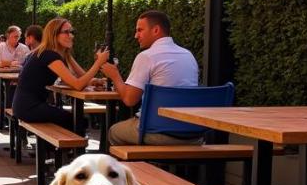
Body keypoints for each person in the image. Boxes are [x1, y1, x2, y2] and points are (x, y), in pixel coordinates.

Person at [102, 10, 200, 146]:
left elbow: (130, 100)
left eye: (140, 30)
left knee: (114, 131)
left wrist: (115, 75)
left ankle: (134, 167)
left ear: (156, 30)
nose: (136, 35)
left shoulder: (147, 56)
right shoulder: (188, 55)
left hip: (158, 131)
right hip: (192, 133)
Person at [12, 17, 109, 133]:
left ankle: (60, 150)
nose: (71, 36)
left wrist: (96, 81)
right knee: (78, 121)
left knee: (75, 120)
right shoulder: (49, 55)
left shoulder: (55, 53)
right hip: (28, 108)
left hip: (24, 106)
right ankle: (70, 150)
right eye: (66, 32)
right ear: (54, 35)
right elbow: (78, 85)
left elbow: (81, 76)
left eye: (71, 32)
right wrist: (98, 63)